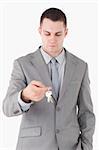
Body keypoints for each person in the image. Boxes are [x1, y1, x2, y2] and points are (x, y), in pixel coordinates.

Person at [3, 7, 95, 150]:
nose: (52, 39)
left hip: (71, 146)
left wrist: (87, 146)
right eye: (47, 33)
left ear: (66, 32)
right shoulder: (22, 64)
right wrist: (24, 96)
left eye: (58, 34)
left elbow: (86, 113)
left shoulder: (81, 66)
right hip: (33, 146)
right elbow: (7, 108)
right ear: (40, 31)